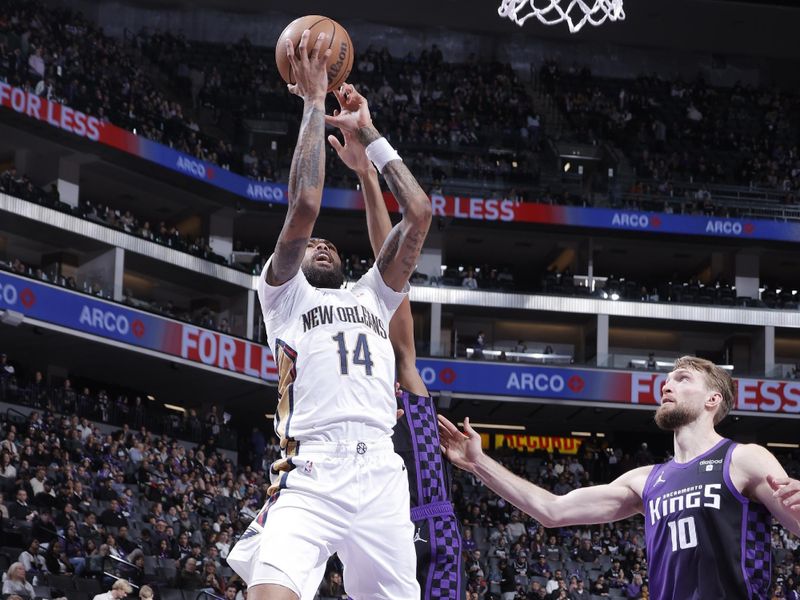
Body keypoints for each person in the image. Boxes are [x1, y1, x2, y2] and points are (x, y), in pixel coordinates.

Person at [226, 29, 431, 600]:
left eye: (329, 247)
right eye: (312, 245)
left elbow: (418, 213)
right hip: (313, 469)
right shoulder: (283, 294)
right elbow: (306, 204)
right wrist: (315, 100)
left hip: (382, 472)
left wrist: (370, 136)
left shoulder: (373, 295)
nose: (319, 245)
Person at [439, 356, 800, 600]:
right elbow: (551, 510)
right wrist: (478, 463)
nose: (667, 385)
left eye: (682, 378)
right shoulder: (646, 480)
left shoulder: (744, 458)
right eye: (667, 379)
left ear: (712, 400)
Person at [327, 95, 465, 599]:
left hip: (432, 531)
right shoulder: (349, 410)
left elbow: (394, 268)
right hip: (366, 522)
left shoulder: (405, 377)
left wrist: (366, 175)